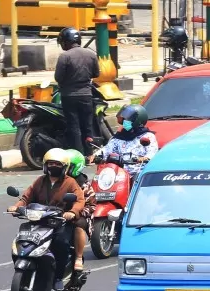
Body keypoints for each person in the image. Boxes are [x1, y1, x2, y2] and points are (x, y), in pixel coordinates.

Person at [7, 149, 85, 291]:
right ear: (45, 165)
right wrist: (16, 207)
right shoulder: (40, 181)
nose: (53, 167)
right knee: (22, 239)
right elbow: (26, 198)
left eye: (57, 164)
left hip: (60, 222)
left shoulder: (70, 183)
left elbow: (79, 200)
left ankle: (58, 278)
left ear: (64, 167)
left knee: (61, 243)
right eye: (50, 164)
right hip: (39, 221)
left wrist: (72, 212)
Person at [54, 27, 100, 156]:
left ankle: (78, 154)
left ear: (65, 42)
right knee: (87, 125)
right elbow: (96, 73)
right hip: (86, 95)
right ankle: (89, 154)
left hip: (69, 96)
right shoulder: (91, 54)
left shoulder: (64, 56)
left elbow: (58, 77)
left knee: (74, 126)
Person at [97, 104, 159, 182]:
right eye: (123, 120)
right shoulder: (119, 136)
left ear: (137, 120)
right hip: (118, 175)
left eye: (127, 120)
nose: (124, 123)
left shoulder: (148, 136)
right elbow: (107, 149)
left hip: (138, 174)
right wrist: (96, 156)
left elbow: (152, 153)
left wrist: (143, 158)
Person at [65, 149, 96, 271]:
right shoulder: (55, 181)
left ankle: (78, 257)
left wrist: (75, 213)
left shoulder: (83, 185)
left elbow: (91, 206)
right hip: (56, 214)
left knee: (78, 225)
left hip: (79, 216)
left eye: (67, 166)